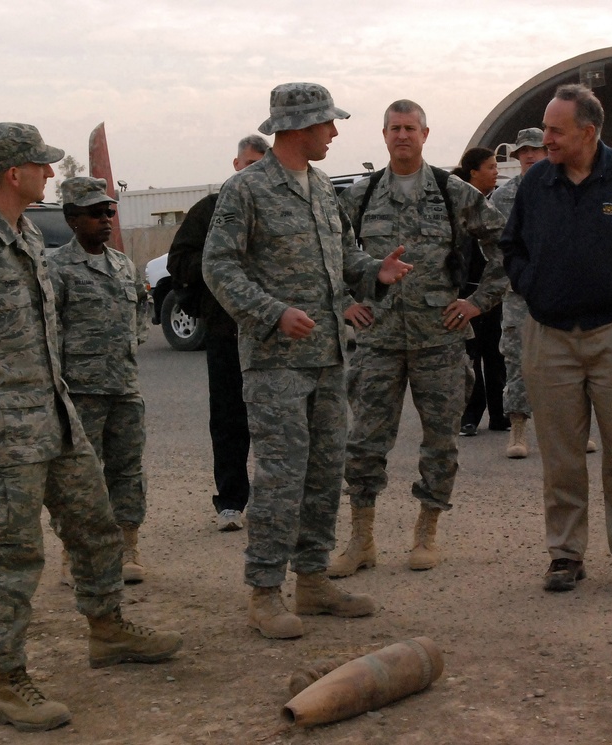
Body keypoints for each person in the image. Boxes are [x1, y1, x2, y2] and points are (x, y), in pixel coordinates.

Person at [0, 122, 181, 732]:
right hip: (0, 436)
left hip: (57, 420)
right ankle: (7, 682)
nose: (49, 173)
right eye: (40, 165)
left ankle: (108, 629)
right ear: (14, 174)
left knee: (95, 528)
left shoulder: (28, 235)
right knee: (11, 558)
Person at [201, 83, 413, 640]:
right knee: (281, 477)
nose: (335, 133)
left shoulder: (320, 187)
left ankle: (313, 581)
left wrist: (374, 272)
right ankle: (265, 592)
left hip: (327, 358)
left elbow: (344, 257)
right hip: (276, 363)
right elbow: (218, 267)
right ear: (298, 127)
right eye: (327, 124)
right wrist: (272, 313)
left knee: (323, 473)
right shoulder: (246, 189)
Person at [501, 86, 612, 594]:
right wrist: (533, 284)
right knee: (561, 457)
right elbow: (511, 247)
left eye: (555, 130)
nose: (546, 139)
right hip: (550, 337)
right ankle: (565, 555)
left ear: (588, 132)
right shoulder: (536, 181)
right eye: (545, 128)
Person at [329, 99, 507, 578]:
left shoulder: (453, 193)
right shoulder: (361, 195)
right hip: (378, 338)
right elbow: (327, 252)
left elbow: (505, 245)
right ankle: (361, 539)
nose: (403, 135)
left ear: (425, 135)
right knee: (364, 442)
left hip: (439, 338)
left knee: (441, 442)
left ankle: (426, 532)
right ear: (384, 135)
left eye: (411, 128)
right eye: (395, 128)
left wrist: (478, 301)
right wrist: (344, 302)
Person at [48, 177, 150, 584]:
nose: (106, 219)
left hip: (124, 387)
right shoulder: (56, 268)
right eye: (95, 213)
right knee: (78, 475)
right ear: (72, 218)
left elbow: (140, 309)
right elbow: (48, 331)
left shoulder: (123, 265)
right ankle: (74, 553)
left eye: (109, 211)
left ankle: (128, 547)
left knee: (128, 470)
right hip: (79, 391)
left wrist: (127, 348)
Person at [167, 134, 268, 532]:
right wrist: (220, 266)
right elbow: (179, 262)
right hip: (227, 333)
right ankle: (230, 501)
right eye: (249, 164)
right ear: (236, 164)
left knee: (280, 421)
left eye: (262, 164)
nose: (254, 172)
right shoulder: (209, 210)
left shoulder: (279, 208)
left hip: (275, 333)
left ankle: (278, 500)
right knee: (228, 419)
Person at [492, 128, 597, 459]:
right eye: (522, 151)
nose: (529, 155)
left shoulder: (568, 186)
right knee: (517, 359)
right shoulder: (502, 196)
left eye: (535, 149)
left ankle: (575, 431)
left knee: (572, 360)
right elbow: (493, 245)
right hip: (519, 293)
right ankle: (518, 429)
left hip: (564, 291)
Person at [452, 146, 509, 437]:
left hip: (492, 293)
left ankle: (500, 414)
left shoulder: (495, 201)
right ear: (473, 172)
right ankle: (471, 415)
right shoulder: (458, 204)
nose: (496, 172)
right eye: (491, 167)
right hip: (465, 294)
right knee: (470, 355)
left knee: (496, 354)